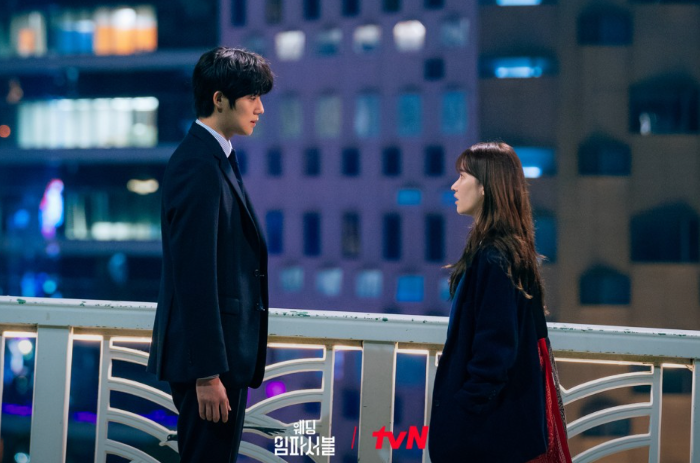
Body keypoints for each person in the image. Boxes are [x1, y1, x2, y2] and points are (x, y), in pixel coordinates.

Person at [147, 47, 273, 463]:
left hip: (221, 357)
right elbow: (194, 274)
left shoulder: (214, 156)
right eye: (251, 97)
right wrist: (207, 374)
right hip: (209, 365)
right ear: (219, 99)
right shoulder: (198, 164)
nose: (259, 108)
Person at [428, 142, 572, 463]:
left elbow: (495, 350)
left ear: (485, 186)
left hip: (487, 437)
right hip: (504, 433)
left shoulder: (495, 256)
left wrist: (463, 410)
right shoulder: (510, 250)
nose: (454, 186)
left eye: (462, 176)